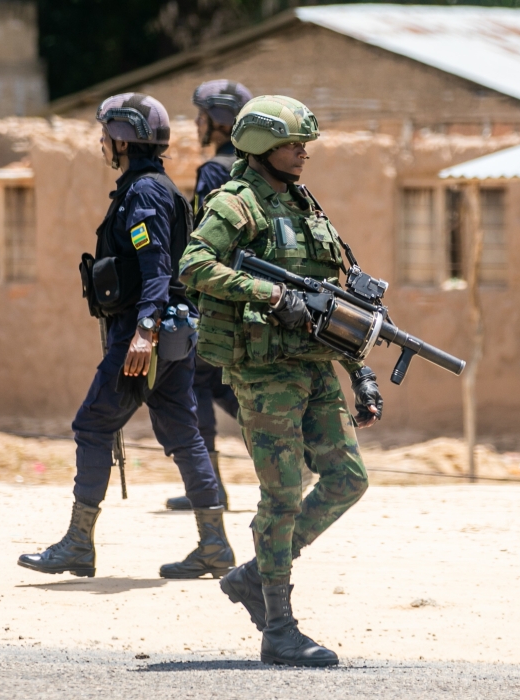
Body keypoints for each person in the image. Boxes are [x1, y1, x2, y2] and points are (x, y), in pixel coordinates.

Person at [179, 95, 380, 667]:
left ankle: (254, 575)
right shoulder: (236, 204)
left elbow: (332, 301)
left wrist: (360, 371)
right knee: (283, 495)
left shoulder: (302, 203)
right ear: (264, 145)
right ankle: (279, 626)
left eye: (305, 145)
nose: (304, 154)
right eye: (295, 144)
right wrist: (269, 294)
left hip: (313, 365)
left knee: (348, 478)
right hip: (264, 371)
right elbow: (193, 264)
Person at [18, 93, 235, 581]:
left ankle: (77, 545)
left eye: (105, 135)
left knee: (93, 424)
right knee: (185, 434)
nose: (101, 143)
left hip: (146, 334)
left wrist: (142, 332)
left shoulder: (144, 195)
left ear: (122, 139)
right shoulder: (157, 188)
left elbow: (156, 266)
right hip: (173, 331)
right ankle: (215, 544)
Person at [165, 79, 254, 512]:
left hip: (214, 296)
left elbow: (205, 240)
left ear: (220, 122)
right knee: (222, 384)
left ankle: (208, 485)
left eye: (202, 116)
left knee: (194, 381)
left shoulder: (215, 172)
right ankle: (306, 449)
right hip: (248, 297)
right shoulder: (254, 171)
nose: (196, 124)